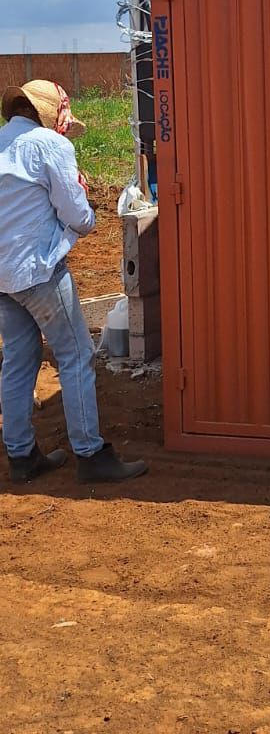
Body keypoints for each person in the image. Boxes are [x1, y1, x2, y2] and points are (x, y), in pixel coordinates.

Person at [0, 80, 148, 485]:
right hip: (38, 271)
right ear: (53, 115)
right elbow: (81, 218)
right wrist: (81, 199)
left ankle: (22, 456)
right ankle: (90, 453)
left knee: (17, 360)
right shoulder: (51, 147)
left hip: (3, 277)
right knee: (76, 354)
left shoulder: (1, 143)